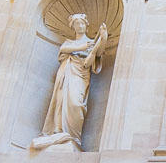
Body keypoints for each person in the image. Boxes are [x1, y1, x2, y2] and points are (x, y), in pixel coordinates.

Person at [30, 13, 108, 151]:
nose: (80, 26)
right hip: (66, 74)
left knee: (76, 103)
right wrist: (82, 47)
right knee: (61, 102)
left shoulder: (91, 43)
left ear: (87, 25)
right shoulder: (70, 43)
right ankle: (59, 131)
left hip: (80, 77)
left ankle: (73, 136)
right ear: (73, 27)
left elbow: (92, 58)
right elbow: (63, 49)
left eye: (82, 23)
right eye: (77, 24)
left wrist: (103, 38)